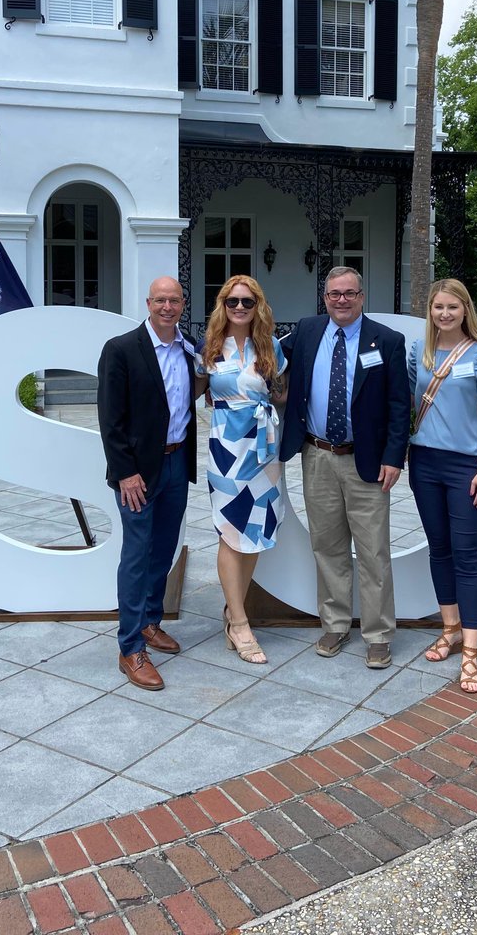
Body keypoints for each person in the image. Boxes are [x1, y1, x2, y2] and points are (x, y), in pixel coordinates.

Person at [279, 266, 410, 668]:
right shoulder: (306, 331)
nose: (341, 300)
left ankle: (378, 634)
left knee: (373, 551)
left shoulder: (386, 340)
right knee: (328, 547)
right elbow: (263, 354)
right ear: (325, 297)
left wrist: (393, 457)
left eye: (349, 293)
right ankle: (335, 625)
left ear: (362, 296)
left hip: (366, 462)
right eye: (335, 293)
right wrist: (220, 380)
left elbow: (399, 405)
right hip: (317, 456)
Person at [97, 277, 197, 691]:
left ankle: (151, 621)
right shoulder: (121, 349)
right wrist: (125, 471)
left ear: (183, 304)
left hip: (176, 464)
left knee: (164, 550)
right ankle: (130, 646)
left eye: (174, 300)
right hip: (138, 473)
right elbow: (110, 417)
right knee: (136, 555)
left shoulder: (187, 347)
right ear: (148, 303)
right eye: (160, 300)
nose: (168, 307)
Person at [407, 278, 477, 693]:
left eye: (452, 307)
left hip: (467, 467)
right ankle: (449, 629)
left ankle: (470, 651)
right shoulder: (420, 353)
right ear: (430, 311)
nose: (444, 314)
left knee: (467, 556)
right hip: (424, 462)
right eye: (437, 307)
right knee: (439, 549)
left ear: (466, 310)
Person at [196, 275, 287, 664]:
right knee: (230, 528)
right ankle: (239, 622)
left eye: (246, 302)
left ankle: (234, 612)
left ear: (258, 306)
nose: (239, 308)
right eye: (232, 301)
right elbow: (191, 394)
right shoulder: (210, 349)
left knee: (256, 529)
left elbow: (283, 394)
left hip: (263, 450)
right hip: (226, 449)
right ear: (222, 305)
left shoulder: (271, 347)